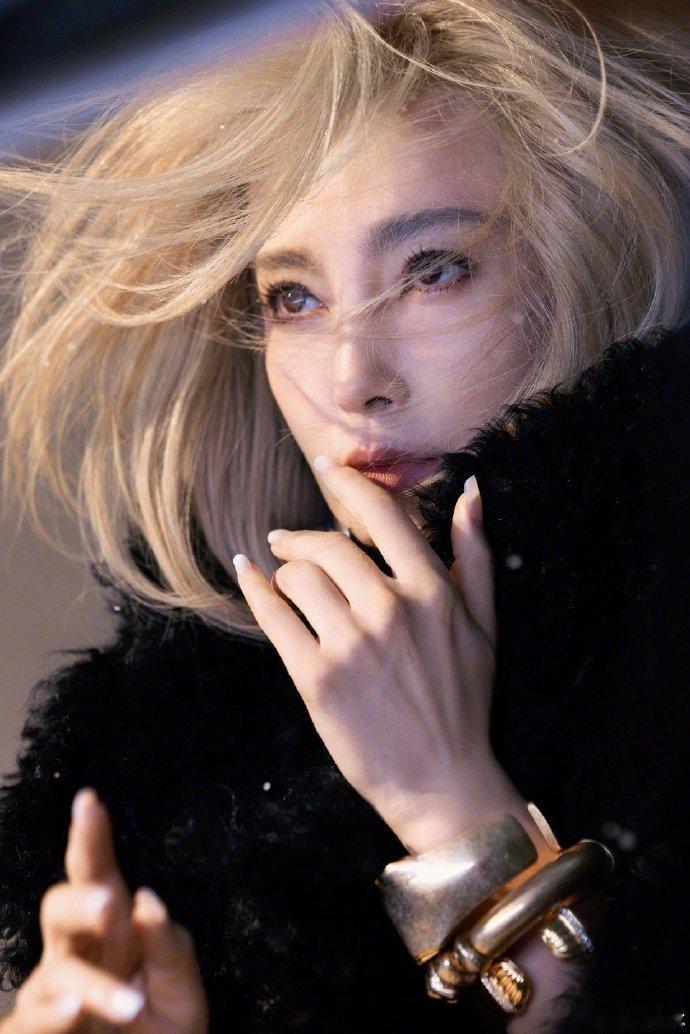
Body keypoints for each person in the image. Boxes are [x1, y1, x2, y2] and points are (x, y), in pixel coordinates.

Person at [0, 0, 688, 1030]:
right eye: (294, 297)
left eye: (433, 271)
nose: (353, 378)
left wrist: (448, 798)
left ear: (586, 254)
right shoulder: (177, 778)